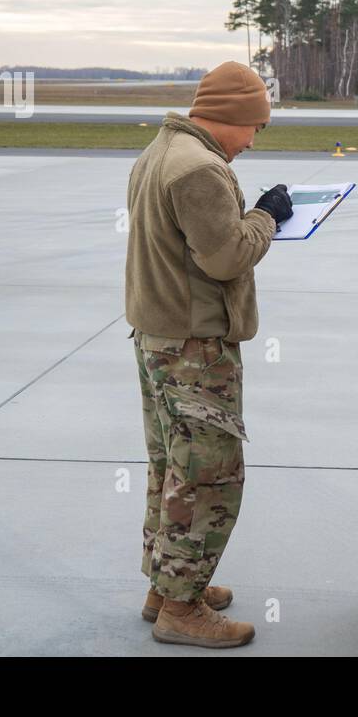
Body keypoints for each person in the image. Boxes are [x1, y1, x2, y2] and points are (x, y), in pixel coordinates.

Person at [124, 61, 293, 648]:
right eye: (255, 128)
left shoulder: (160, 151)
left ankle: (166, 586)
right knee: (208, 476)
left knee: (172, 467)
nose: (252, 141)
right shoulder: (199, 169)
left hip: (158, 337)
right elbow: (226, 258)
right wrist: (268, 215)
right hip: (192, 349)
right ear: (231, 119)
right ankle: (181, 610)